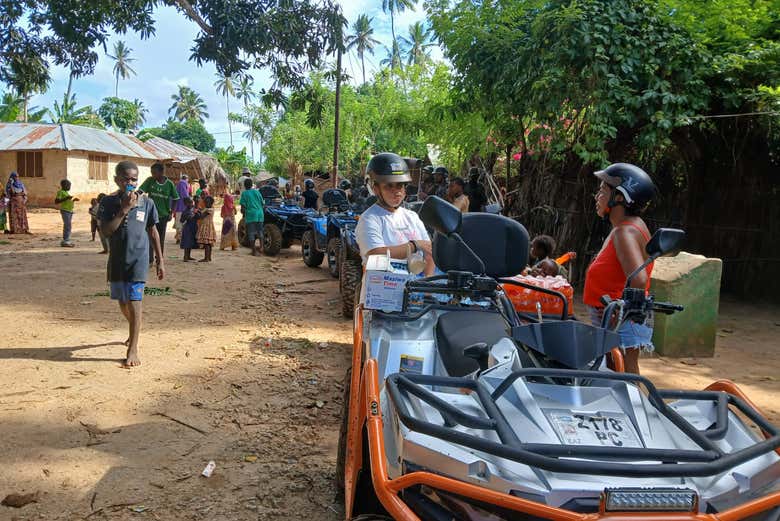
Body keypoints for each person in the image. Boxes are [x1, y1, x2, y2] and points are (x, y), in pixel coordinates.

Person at [583, 162, 656, 375]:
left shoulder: (625, 232)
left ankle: (640, 408)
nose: (597, 196)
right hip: (615, 314)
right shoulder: (625, 228)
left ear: (620, 197)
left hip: (620, 318)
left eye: (603, 191)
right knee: (620, 372)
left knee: (624, 374)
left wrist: (620, 312)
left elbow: (639, 278)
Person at [97, 160, 164, 367]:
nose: (130, 183)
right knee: (122, 301)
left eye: (134, 179)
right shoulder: (108, 203)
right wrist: (124, 209)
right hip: (117, 260)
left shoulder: (147, 203)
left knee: (135, 301)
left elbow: (153, 231)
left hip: (139, 260)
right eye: (126, 179)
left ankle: (133, 348)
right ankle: (134, 327)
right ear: (117, 180)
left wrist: (160, 260)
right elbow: (106, 231)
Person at [355, 152, 435, 276]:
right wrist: (415, 245)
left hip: (415, 288)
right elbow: (375, 254)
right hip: (382, 289)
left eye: (400, 185)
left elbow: (429, 251)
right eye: (389, 186)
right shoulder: (369, 219)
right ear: (375, 188)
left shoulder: (412, 217)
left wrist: (428, 289)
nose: (396, 191)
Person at [139, 162, 179, 263]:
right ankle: (150, 258)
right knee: (149, 236)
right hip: (150, 214)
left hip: (163, 215)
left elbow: (175, 198)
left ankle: (159, 258)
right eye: (151, 173)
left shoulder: (169, 184)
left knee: (160, 238)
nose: (153, 175)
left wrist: (171, 212)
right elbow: (141, 191)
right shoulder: (150, 181)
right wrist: (133, 195)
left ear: (161, 172)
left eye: (154, 173)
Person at [239, 178, 265, 256]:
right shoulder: (257, 192)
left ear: (245, 185)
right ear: (251, 184)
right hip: (260, 214)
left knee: (251, 233)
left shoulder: (244, 193)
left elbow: (243, 207)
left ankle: (254, 251)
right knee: (260, 231)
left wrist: (243, 212)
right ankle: (262, 247)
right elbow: (262, 203)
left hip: (251, 214)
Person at [54, 179, 78, 247]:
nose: (69, 187)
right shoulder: (60, 192)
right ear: (64, 185)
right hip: (65, 210)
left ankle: (67, 239)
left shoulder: (66, 193)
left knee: (68, 226)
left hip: (69, 211)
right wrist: (67, 198)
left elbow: (67, 202)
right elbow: (56, 201)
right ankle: (66, 240)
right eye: (68, 186)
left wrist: (73, 200)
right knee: (68, 225)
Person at [196, 195, 217, 262]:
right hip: (208, 226)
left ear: (211, 203)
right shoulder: (208, 209)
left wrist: (197, 211)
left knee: (206, 243)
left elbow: (201, 216)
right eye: (206, 202)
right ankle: (209, 257)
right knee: (208, 243)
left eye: (209, 202)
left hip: (207, 226)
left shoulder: (209, 210)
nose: (207, 203)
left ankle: (206, 258)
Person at [172, 174, 191, 243]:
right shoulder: (183, 183)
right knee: (183, 223)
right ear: (186, 179)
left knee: (178, 223)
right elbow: (185, 195)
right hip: (183, 207)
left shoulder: (177, 185)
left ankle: (178, 238)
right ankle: (181, 238)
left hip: (177, 207)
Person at [179, 197, 198, 261]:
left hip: (193, 227)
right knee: (187, 243)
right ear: (185, 204)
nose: (191, 204)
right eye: (189, 203)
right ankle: (185, 256)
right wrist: (187, 218)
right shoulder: (185, 211)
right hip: (187, 228)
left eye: (191, 202)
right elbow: (181, 220)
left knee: (190, 243)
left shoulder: (193, 209)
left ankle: (188, 256)